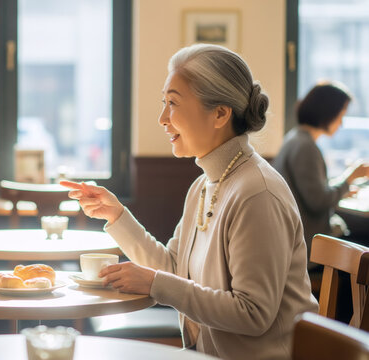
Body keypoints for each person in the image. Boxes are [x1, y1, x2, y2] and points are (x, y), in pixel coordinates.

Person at [61, 44, 318, 360]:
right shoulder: (204, 185)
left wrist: (156, 283)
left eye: (173, 103)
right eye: (163, 103)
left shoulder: (257, 194)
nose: (162, 118)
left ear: (220, 113)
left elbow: (253, 314)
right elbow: (174, 269)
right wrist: (116, 216)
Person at [272, 82, 369, 264]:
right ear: (329, 113)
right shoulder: (305, 147)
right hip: (309, 244)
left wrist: (344, 186)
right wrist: (350, 177)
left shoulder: (295, 138)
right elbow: (319, 201)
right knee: (363, 247)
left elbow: (314, 190)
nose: (341, 123)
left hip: (296, 236)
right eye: (341, 115)